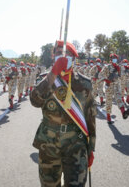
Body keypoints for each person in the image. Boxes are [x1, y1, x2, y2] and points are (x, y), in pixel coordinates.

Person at [30, 40, 96, 186]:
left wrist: (91, 148)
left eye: (68, 54)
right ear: (53, 56)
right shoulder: (46, 80)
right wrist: (53, 73)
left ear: (74, 58)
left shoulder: (84, 84)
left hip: (76, 145)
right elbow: (34, 101)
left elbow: (90, 118)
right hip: (48, 144)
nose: (63, 57)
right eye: (59, 53)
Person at [99, 53, 129, 124]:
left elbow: (122, 76)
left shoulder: (118, 67)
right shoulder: (107, 67)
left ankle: (123, 113)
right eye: (113, 58)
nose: (114, 59)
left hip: (116, 86)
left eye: (115, 58)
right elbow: (100, 75)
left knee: (119, 98)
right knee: (109, 101)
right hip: (109, 86)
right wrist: (106, 80)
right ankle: (108, 117)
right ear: (110, 60)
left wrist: (121, 71)